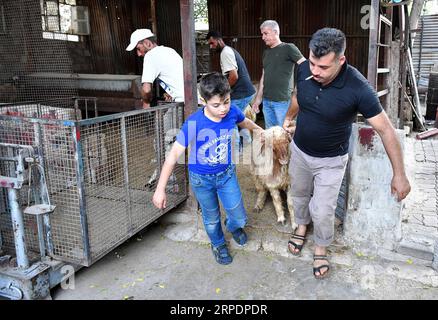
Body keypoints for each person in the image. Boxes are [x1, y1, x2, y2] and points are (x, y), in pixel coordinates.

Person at [282, 28, 411, 279]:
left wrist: (400, 174)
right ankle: (301, 226)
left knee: (322, 209)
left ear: (341, 60)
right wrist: (289, 116)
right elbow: (299, 95)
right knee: (298, 195)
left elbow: (385, 130)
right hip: (299, 152)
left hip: (331, 160)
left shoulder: (358, 88)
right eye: (312, 63)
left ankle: (320, 247)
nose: (315, 71)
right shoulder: (304, 69)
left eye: (323, 67)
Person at [152, 72, 264, 265]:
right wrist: (160, 189)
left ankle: (233, 226)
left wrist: (260, 131)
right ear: (204, 101)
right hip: (201, 180)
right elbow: (173, 156)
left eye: (226, 102)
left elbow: (244, 121)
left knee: (239, 215)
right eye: (216, 105)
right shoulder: (194, 123)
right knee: (211, 218)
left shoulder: (232, 111)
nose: (223, 109)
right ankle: (218, 244)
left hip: (226, 174)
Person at [206, 30, 256, 151]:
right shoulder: (228, 50)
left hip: (241, 93)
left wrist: (222, 93)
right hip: (246, 91)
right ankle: (248, 144)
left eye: (212, 43)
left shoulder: (225, 53)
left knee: (229, 120)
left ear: (218, 40)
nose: (211, 46)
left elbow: (234, 76)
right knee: (239, 118)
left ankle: (236, 150)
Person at [252, 20, 306, 128]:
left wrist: (299, 87)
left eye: (265, 33)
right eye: (262, 34)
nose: (263, 37)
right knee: (270, 134)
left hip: (283, 102)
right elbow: (264, 75)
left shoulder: (288, 48)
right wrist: (258, 99)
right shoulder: (266, 53)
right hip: (267, 101)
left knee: (284, 133)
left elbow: (305, 66)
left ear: (276, 32)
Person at [126, 28, 184, 107]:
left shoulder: (150, 56)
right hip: (193, 98)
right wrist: (171, 93)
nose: (138, 54)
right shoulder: (169, 50)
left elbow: (146, 90)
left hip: (182, 102)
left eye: (138, 48)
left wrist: (146, 103)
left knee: (165, 119)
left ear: (147, 43)